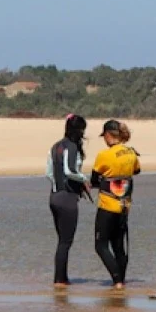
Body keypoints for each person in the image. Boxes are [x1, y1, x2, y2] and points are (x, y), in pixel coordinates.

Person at [87, 119, 140, 290]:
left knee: (100, 245)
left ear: (109, 136)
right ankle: (121, 281)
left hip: (107, 205)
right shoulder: (131, 152)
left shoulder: (104, 155)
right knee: (118, 246)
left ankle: (117, 280)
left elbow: (95, 180)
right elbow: (136, 170)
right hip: (124, 206)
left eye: (104, 136)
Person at [46, 113, 90, 286]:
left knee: (62, 241)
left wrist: (58, 186)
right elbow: (69, 170)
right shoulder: (71, 146)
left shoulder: (55, 146)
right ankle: (60, 280)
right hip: (67, 199)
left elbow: (49, 173)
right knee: (66, 241)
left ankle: (61, 278)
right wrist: (84, 180)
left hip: (54, 196)